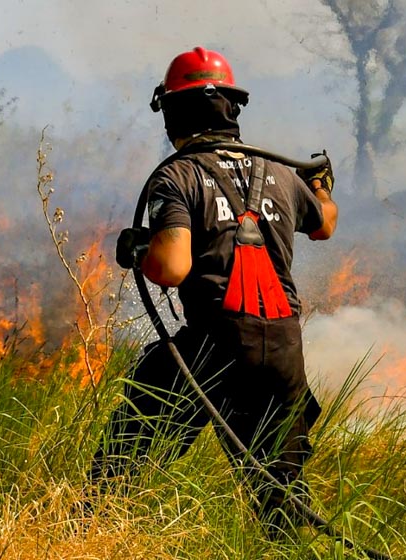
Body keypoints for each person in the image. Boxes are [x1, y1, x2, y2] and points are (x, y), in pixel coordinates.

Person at [89, 46, 339, 537]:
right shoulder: (281, 174)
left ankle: (81, 534)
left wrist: (139, 249)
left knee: (122, 463)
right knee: (280, 497)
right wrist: (323, 186)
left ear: (173, 111)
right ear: (232, 108)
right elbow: (325, 224)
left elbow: (172, 265)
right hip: (284, 350)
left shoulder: (176, 175)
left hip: (213, 348)